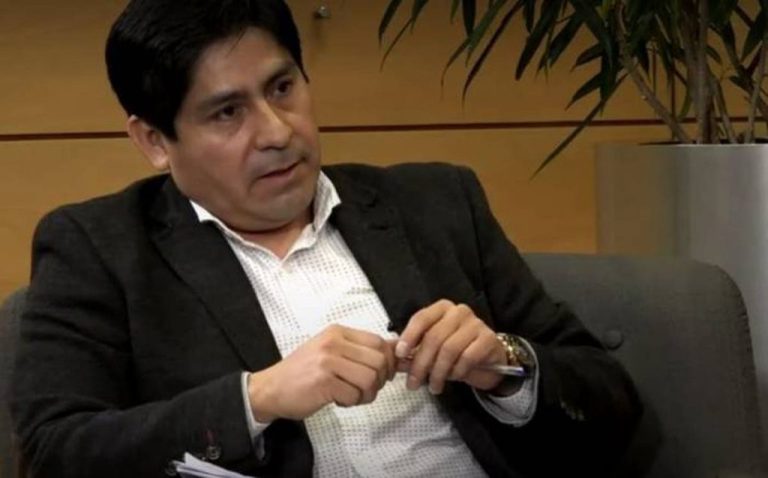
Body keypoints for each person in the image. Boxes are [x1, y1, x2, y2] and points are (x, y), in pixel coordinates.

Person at [10, 1, 641, 477]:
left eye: (283, 89)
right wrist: (256, 399)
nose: (277, 132)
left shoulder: (436, 203)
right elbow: (55, 450)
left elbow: (608, 396)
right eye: (228, 112)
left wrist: (505, 366)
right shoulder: (98, 248)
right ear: (154, 140)